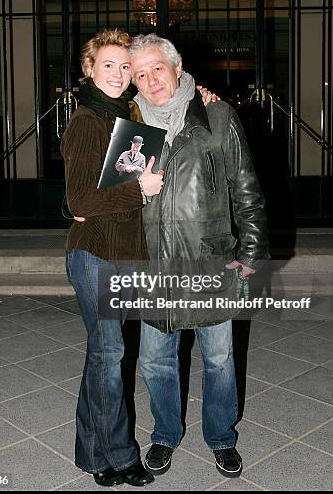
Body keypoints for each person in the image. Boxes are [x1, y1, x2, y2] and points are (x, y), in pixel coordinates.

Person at [128, 34, 269, 479]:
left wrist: (251, 253)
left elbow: (247, 190)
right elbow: (109, 196)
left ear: (177, 67)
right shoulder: (128, 124)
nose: (150, 80)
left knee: (219, 358)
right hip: (153, 262)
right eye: (139, 73)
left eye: (156, 69)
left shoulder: (217, 114)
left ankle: (222, 437)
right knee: (154, 359)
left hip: (210, 259)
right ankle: (165, 434)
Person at [61, 29, 163, 487]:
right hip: (95, 253)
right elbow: (79, 201)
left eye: (126, 67)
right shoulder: (88, 120)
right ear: (89, 69)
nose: (120, 75)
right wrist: (138, 190)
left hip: (120, 254)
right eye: (109, 65)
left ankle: (92, 453)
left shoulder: (125, 116)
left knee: (102, 358)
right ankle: (120, 456)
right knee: (111, 354)